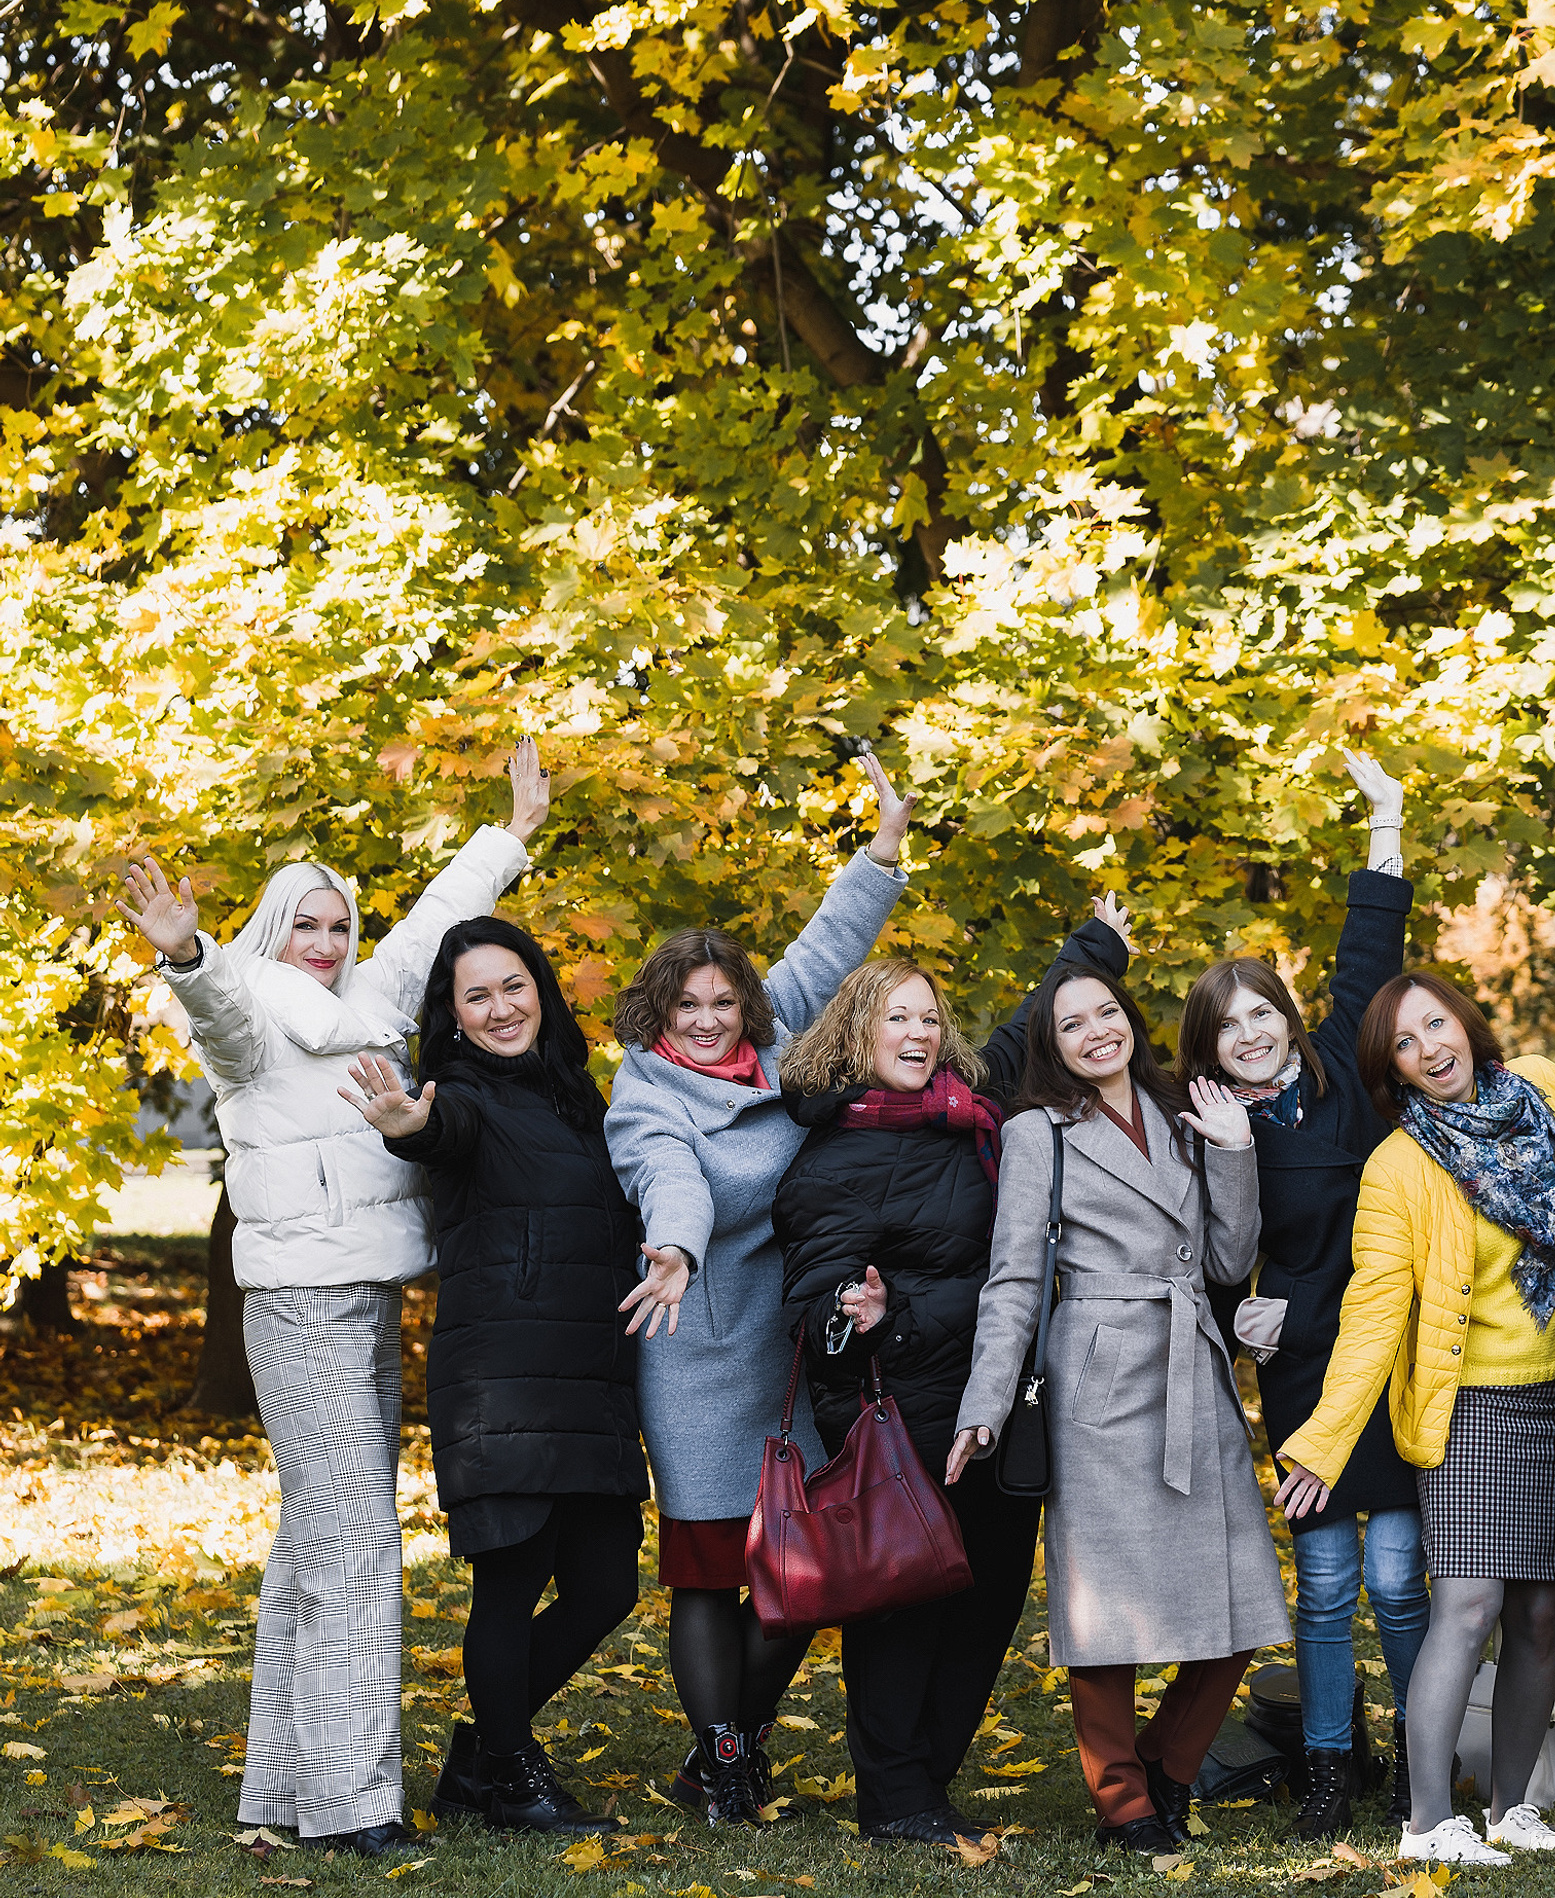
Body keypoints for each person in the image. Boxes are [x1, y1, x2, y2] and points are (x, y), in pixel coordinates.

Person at [116, 741, 549, 1857]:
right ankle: (355, 1803)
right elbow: (215, 1016)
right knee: (357, 1546)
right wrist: (190, 957)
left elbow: (443, 912)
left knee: (309, 1551)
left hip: (365, 1301)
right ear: (272, 931)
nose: (322, 942)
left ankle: (277, 1792)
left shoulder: (370, 999)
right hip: (296, 1307)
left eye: (337, 926)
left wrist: (512, 832)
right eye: (303, 924)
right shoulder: (257, 1018)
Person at [773, 900, 1132, 1848]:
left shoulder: (972, 1114)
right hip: (904, 1416)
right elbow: (821, 1303)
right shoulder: (832, 1158)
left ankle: (928, 1778)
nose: (919, 1032)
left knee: (988, 1602)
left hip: (1004, 1400)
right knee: (906, 1606)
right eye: (897, 1017)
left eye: (930, 1017)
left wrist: (1094, 946)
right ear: (857, 1032)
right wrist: (864, 1316)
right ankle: (894, 1796)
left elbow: (1024, 1026)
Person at [603, 750, 911, 1827]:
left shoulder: (774, 1044)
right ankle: (723, 1754)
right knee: (706, 1570)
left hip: (788, 1346)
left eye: (722, 1002)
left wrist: (882, 848)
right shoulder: (645, 1094)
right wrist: (675, 1248)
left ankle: (734, 1739)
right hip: (691, 1343)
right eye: (686, 1005)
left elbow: (830, 946)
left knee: (801, 1564)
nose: (707, 1021)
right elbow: (667, 1177)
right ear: (658, 1011)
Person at [1276, 972, 1555, 1865]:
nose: (1430, 1048)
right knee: (1468, 1607)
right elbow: (1371, 1315)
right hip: (1470, 1410)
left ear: (1466, 1024)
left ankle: (1514, 1810)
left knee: (1544, 1613)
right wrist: (1323, 1442)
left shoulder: (1549, 1093)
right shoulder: (1399, 1166)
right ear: (1390, 1067)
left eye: (1436, 1024)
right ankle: (1428, 1823)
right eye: (1405, 1042)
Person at [950, 962, 1291, 1860]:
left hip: (1194, 1369)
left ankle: (1171, 1770)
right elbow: (1016, 1276)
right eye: (1073, 1023)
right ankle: (1123, 1804)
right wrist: (984, 1403)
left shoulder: (1190, 1108)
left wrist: (1233, 1152)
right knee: (1104, 1616)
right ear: (1051, 1045)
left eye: (1109, 1011)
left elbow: (1227, 1262)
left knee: (1240, 1602)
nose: (1097, 1030)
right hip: (1096, 1380)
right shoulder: (1039, 1133)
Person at [344, 917, 647, 1838]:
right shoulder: (463, 1093)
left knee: (607, 1588)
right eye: (477, 996)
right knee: (509, 1587)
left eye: (513, 986)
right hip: (504, 1381)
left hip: (591, 1373)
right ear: (456, 1016)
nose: (500, 1007)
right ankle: (512, 1778)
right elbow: (442, 1132)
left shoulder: (578, 1099)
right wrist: (411, 1125)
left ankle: (482, 1754)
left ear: (541, 991)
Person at [1175, 750, 1428, 1835]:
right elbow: (1206, 1264)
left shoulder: (1340, 1078)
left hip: (1387, 1356)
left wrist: (1386, 824)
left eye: (1260, 1012)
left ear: (1285, 1015)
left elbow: (1369, 958)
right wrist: (1238, 1318)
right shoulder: (1202, 1129)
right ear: (1210, 1046)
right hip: (1300, 1374)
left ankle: (1425, 1756)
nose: (1251, 1033)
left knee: (1402, 1580)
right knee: (1326, 1587)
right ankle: (1329, 1767)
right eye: (1228, 1025)